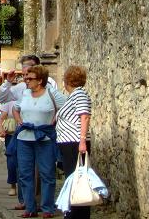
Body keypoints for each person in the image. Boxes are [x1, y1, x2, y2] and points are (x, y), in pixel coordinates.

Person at [12, 65, 66, 218]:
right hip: (24, 139)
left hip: (44, 138)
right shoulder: (25, 93)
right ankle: (30, 208)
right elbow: (15, 108)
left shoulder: (51, 93)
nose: (26, 80)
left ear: (40, 80)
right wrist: (19, 121)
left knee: (47, 173)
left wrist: (54, 121)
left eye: (30, 78)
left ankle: (47, 208)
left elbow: (66, 107)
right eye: (26, 78)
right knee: (25, 174)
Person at [56, 65, 92, 219]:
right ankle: (74, 213)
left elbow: (84, 116)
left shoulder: (79, 94)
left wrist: (82, 141)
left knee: (76, 180)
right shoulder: (74, 95)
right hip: (69, 143)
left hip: (75, 143)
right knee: (74, 179)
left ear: (68, 80)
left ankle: (76, 214)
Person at [0, 99, 20, 199]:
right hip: (12, 134)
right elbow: (1, 118)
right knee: (11, 161)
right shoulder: (10, 101)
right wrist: (1, 129)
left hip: (27, 133)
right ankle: (13, 185)